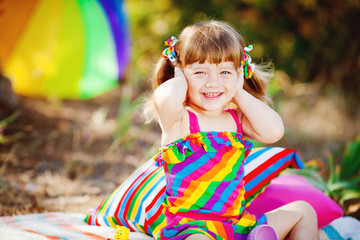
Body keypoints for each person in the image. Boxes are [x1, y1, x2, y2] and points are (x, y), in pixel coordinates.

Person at [146, 20, 318, 240]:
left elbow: (274, 131)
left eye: (224, 72)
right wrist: (180, 75)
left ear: (240, 73)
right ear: (180, 73)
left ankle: (257, 235)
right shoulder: (179, 120)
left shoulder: (236, 119)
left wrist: (238, 91)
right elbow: (166, 98)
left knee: (304, 211)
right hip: (192, 228)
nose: (212, 83)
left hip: (236, 224)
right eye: (200, 72)